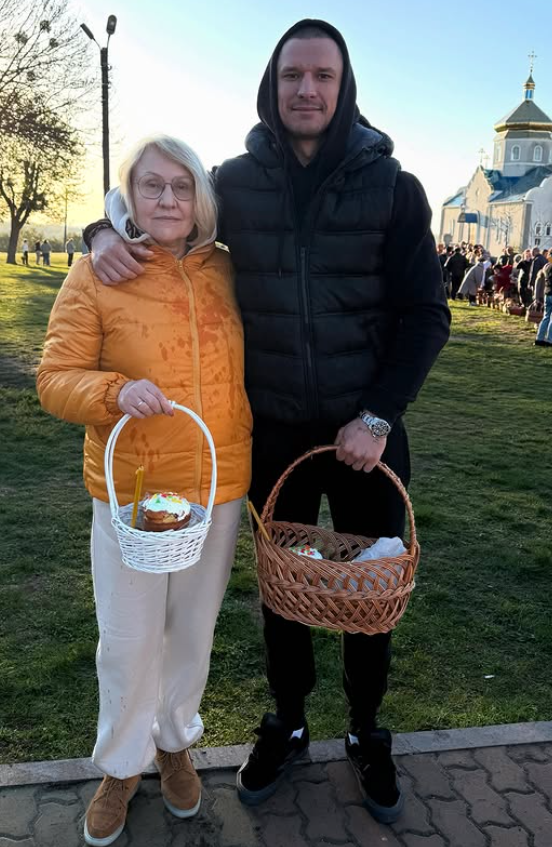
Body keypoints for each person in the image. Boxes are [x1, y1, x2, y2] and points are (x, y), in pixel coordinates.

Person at [86, 19, 450, 825]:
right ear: (271, 84)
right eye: (293, 75)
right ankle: (286, 721)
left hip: (366, 433)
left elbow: (428, 314)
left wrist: (377, 414)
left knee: (367, 587)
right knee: (285, 590)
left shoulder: (395, 188)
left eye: (323, 76)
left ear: (344, 87)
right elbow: (157, 204)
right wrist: (100, 229)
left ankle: (366, 728)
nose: (306, 90)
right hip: (276, 430)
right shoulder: (237, 183)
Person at [36, 135, 253, 846]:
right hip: (132, 493)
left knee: (191, 633)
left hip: (217, 488)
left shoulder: (226, 270)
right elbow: (54, 378)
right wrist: (113, 391)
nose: (167, 199)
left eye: (181, 186)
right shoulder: (97, 271)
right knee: (128, 639)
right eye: (152, 185)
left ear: (201, 200)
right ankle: (122, 766)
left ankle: (174, 741)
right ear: (128, 197)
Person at [534, 257, 552, 347]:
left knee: (546, 317)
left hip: (547, 293)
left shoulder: (546, 266)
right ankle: (549, 340)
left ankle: (539, 339)